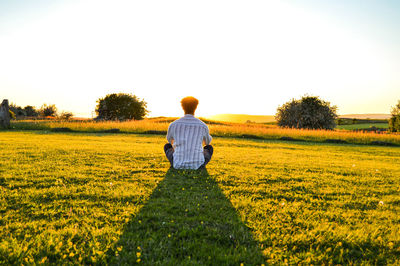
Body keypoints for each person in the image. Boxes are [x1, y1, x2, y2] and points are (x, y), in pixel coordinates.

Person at [164, 96, 213, 170]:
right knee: (209, 148)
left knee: (167, 146)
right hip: (198, 165)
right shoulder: (203, 125)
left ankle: (179, 160)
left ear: (182, 107)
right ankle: (197, 161)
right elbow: (207, 142)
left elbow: (169, 141)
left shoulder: (173, 124)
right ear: (196, 107)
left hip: (177, 164)